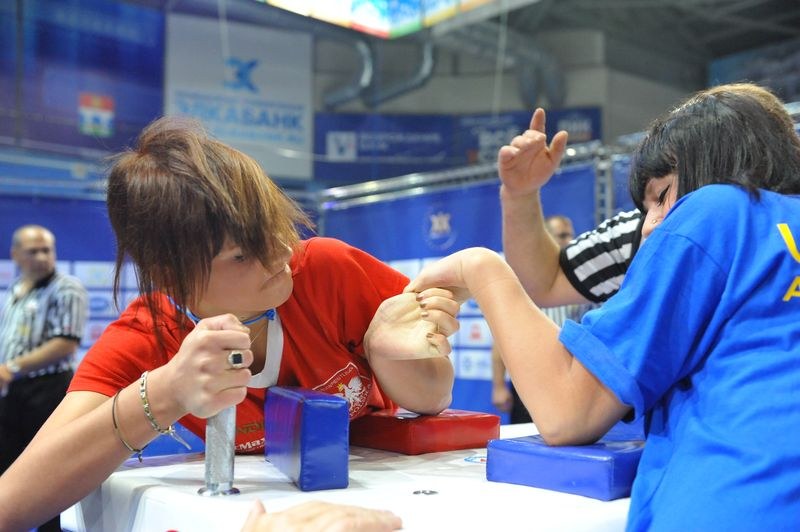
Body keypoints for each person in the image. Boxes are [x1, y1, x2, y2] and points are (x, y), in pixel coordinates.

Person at [0, 117, 457, 531]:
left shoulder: (330, 268)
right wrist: (165, 392)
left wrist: (390, 355)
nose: (280, 251)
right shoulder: (148, 333)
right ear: (168, 273)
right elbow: (13, 503)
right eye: (240, 254)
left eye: (274, 224)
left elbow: (434, 398)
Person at [406, 83, 800, 529]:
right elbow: (549, 279)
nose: (649, 227)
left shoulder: (713, 210)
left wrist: (480, 267)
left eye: (662, 195)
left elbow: (567, 413)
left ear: (714, 163)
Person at [0, 225, 88, 532]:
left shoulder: (66, 288)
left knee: (49, 476)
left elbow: (65, 342)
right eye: (33, 251)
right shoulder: (17, 288)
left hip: (49, 390)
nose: (42, 257)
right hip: (15, 392)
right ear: (15, 255)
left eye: (47, 250)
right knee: (8, 469)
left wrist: (10, 367)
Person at [492, 215, 592, 423]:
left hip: (571, 381)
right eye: (562, 236)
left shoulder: (583, 278)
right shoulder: (523, 282)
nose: (569, 241)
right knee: (527, 443)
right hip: (530, 381)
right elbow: (502, 336)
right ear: (546, 239)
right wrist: (498, 386)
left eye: (571, 236)